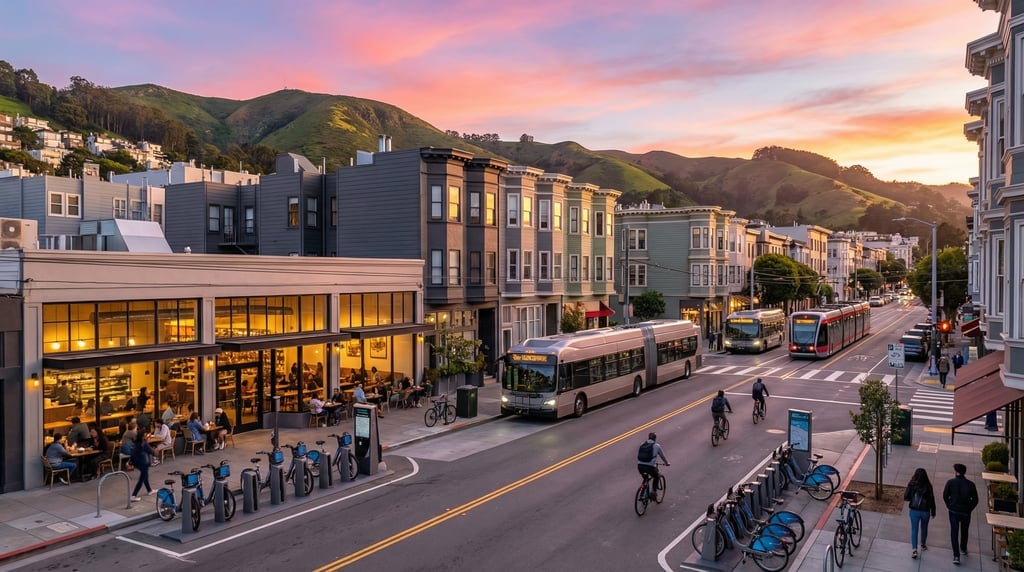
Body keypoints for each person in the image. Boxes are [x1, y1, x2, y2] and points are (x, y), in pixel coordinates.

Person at [942, 462, 979, 565]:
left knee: (954, 532)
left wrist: (949, 505)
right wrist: (969, 508)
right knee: (964, 530)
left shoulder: (950, 482)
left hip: (953, 510)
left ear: (956, 472)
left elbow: (945, 495)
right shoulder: (970, 484)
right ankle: (963, 547)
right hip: (965, 511)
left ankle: (956, 555)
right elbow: (975, 499)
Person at [904, 467, 937, 559]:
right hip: (925, 511)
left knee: (914, 529)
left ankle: (914, 549)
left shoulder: (912, 484)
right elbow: (932, 500)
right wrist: (933, 511)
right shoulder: (928, 486)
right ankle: (923, 544)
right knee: (924, 528)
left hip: (914, 510)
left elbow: (906, 497)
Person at [129, 431, 156, 501]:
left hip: (136, 463)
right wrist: (156, 451)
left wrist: (130, 462)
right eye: (145, 436)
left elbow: (132, 453)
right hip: (144, 462)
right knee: (142, 479)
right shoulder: (144, 444)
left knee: (145, 476)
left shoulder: (136, 443)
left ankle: (149, 490)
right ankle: (133, 495)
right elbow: (152, 452)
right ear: (143, 437)